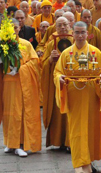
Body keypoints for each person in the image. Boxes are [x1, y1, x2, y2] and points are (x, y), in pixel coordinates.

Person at [54, 21, 101, 172]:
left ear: (87, 34)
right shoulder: (66, 53)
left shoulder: (95, 52)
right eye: (76, 32)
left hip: (92, 99)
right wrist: (59, 79)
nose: (79, 36)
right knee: (77, 132)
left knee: (91, 132)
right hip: (74, 98)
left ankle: (87, 163)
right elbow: (57, 72)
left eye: (82, 32)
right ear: (72, 34)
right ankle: (80, 164)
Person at [0, 18, 41, 157]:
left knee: (20, 113)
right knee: (9, 113)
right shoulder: (0, 44)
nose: (14, 29)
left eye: (16, 27)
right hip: (7, 83)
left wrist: (20, 69)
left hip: (22, 84)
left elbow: (35, 63)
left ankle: (20, 144)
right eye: (10, 27)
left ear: (20, 28)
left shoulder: (25, 44)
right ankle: (9, 142)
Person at [41, 17, 72, 149]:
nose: (63, 28)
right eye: (59, 25)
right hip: (57, 83)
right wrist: (50, 60)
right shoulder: (50, 44)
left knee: (72, 112)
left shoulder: (75, 40)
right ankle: (59, 141)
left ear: (70, 25)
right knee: (59, 112)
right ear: (56, 28)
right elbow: (43, 64)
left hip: (73, 82)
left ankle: (71, 142)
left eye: (65, 25)